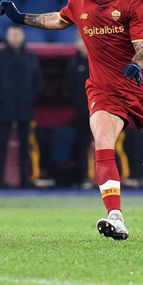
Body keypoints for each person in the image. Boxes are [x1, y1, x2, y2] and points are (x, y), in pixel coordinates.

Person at [0, 0, 143, 241]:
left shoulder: (135, 0)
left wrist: (136, 65)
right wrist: (21, 18)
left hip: (141, 86)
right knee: (103, 142)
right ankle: (116, 217)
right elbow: (58, 19)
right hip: (104, 89)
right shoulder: (79, 1)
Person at [0, 26, 42, 188]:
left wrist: (29, 97)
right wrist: (2, 97)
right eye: (12, 35)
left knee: (25, 146)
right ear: (7, 36)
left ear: (23, 36)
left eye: (18, 35)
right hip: (4, 107)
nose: (15, 38)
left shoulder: (30, 57)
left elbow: (38, 82)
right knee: (1, 145)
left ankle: (25, 179)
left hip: (25, 107)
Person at [66, 33, 92, 189]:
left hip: (101, 111)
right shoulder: (73, 64)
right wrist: (81, 107)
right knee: (82, 145)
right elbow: (71, 89)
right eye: (80, 41)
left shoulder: (100, 60)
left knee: (105, 144)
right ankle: (83, 177)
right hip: (82, 113)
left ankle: (106, 178)